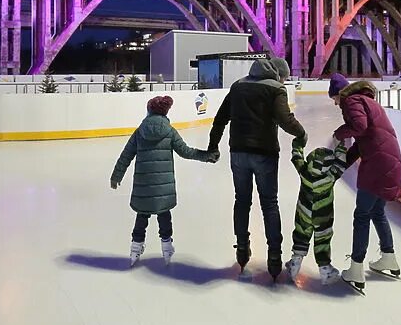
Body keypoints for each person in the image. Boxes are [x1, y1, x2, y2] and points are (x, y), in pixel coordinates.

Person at [208, 56, 306, 280]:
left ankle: (242, 249)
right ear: (278, 73)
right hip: (264, 154)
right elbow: (285, 119)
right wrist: (302, 133)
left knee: (242, 201)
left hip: (238, 152)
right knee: (269, 204)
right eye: (284, 77)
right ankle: (274, 256)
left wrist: (213, 146)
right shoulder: (275, 89)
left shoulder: (238, 86)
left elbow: (220, 119)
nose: (284, 80)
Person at [111, 96, 217, 266]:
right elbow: (186, 151)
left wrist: (116, 176)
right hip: (163, 188)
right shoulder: (169, 131)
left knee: (142, 215)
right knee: (164, 215)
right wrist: (206, 156)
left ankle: (135, 248)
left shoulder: (140, 131)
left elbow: (126, 155)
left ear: (150, 111)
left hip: (143, 186)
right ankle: (167, 248)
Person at [331, 77, 401, 293]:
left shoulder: (351, 101)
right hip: (390, 161)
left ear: (340, 93)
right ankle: (388, 257)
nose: (336, 104)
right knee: (377, 211)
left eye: (334, 98)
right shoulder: (367, 101)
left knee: (362, 214)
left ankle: (356, 267)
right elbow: (363, 141)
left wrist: (339, 133)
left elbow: (359, 127)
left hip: (377, 165)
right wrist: (341, 164)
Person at [284, 134, 350, 285]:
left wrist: (298, 143)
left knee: (301, 234)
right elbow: (340, 162)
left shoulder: (305, 172)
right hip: (323, 217)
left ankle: (295, 264)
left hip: (304, 213)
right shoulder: (330, 177)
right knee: (323, 241)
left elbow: (296, 157)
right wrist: (340, 145)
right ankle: (325, 269)